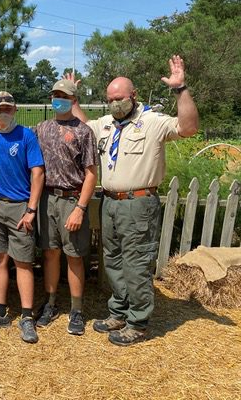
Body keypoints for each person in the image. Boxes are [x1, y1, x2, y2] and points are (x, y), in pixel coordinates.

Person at [72, 55, 198, 346]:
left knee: (136, 263)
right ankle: (120, 311)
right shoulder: (105, 124)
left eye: (120, 98)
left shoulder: (152, 122)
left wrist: (181, 89)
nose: (115, 103)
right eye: (111, 99)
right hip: (111, 203)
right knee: (113, 261)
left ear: (133, 95)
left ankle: (138, 322)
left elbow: (188, 127)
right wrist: (73, 97)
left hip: (139, 204)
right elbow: (82, 126)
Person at [0, 91, 45, 343]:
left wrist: (31, 209)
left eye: (7, 108)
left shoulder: (26, 136)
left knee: (24, 262)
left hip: (20, 207)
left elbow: (37, 174)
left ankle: (26, 317)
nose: (3, 112)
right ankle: (0, 311)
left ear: (15, 109)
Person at [34, 80, 98, 336]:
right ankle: (50, 303)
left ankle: (76, 309)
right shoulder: (41, 128)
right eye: (55, 95)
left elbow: (91, 174)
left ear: (73, 100)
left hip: (72, 200)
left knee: (74, 256)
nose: (58, 99)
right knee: (50, 253)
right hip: (47, 199)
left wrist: (80, 208)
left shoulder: (83, 132)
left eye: (63, 95)